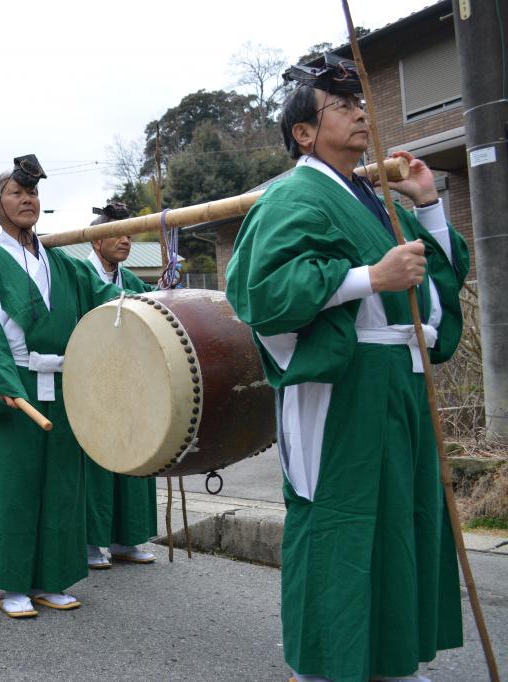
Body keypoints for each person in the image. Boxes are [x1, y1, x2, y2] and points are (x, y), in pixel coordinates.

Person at [224, 54, 467, 682]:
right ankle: (325, 665)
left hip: (401, 380)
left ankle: (385, 657)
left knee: (403, 512)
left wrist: (431, 206)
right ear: (303, 131)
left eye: (361, 101)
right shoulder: (292, 194)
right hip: (345, 380)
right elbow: (261, 291)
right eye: (342, 104)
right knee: (339, 515)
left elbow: (436, 277)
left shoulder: (374, 198)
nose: (361, 111)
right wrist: (367, 278)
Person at [0, 155, 121, 619]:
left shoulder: (65, 264)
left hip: (64, 387)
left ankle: (52, 578)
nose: (27, 200)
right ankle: (12, 580)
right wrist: (0, 382)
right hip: (17, 387)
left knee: (63, 483)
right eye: (16, 193)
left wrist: (154, 299)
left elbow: (107, 303)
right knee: (14, 485)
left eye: (33, 194)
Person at [80, 203, 158, 569]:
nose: (126, 240)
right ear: (96, 242)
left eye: (130, 234)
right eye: (118, 234)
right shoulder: (79, 274)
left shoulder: (131, 281)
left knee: (133, 455)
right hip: (91, 377)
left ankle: (126, 539)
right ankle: (91, 542)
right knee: (95, 461)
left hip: (128, 380)